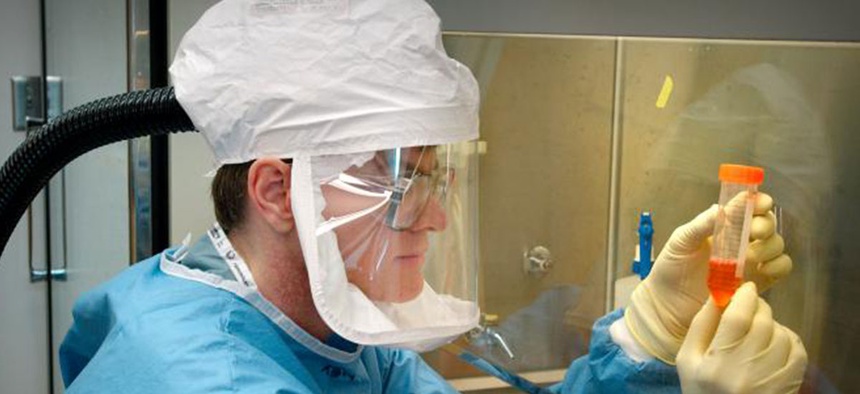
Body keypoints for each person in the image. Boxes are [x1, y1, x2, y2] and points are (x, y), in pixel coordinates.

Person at [58, 0, 807, 392]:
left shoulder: (335, 336)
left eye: (439, 178)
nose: (440, 216)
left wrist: (644, 336)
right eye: (405, 179)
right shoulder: (212, 379)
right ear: (279, 191)